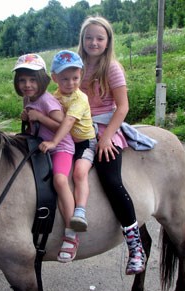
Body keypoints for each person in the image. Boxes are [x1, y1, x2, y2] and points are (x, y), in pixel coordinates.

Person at [77, 16, 146, 275]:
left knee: (111, 180)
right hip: (79, 128)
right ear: (82, 40)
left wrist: (106, 137)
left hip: (106, 128)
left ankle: (135, 245)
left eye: (99, 38)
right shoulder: (76, 65)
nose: (94, 42)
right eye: (89, 38)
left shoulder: (112, 68)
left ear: (107, 42)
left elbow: (123, 106)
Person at [13, 54, 79, 263]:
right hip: (42, 147)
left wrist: (40, 117)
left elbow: (63, 128)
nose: (27, 85)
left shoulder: (47, 100)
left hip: (60, 147)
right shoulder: (29, 99)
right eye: (22, 80)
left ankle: (71, 232)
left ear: (42, 80)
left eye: (32, 80)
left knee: (60, 180)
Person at [32, 50, 96, 233]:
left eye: (75, 78)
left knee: (79, 173)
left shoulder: (80, 98)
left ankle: (80, 211)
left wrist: (53, 142)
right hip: (70, 143)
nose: (71, 83)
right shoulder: (56, 96)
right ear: (54, 78)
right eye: (65, 79)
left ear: (81, 75)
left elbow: (67, 122)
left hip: (85, 142)